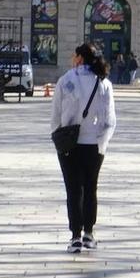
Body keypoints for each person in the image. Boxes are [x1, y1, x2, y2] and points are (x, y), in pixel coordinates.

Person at [51, 43, 116, 253]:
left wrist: (58, 139)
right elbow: (110, 119)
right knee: (90, 188)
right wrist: (102, 143)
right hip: (94, 145)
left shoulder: (66, 80)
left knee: (73, 190)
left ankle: (75, 236)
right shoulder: (103, 83)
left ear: (79, 58)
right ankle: (89, 233)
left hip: (70, 144)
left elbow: (56, 115)